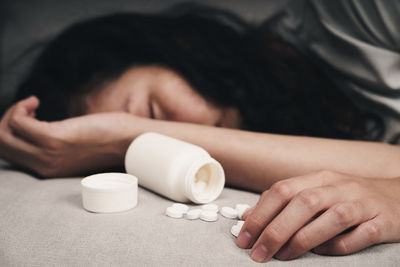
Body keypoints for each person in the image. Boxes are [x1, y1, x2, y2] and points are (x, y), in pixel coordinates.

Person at [1, 1, 400, 263]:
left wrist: (126, 135)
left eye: (153, 113)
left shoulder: (357, 15)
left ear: (177, 48)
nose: (179, 146)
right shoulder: (271, 130)